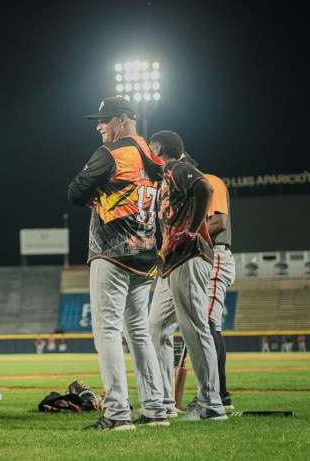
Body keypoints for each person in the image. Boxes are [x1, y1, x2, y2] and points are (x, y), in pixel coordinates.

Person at [68, 96, 168, 431]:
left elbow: (75, 190)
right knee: (139, 333)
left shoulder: (111, 153)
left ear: (123, 119)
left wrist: (91, 196)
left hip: (112, 251)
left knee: (107, 333)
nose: (99, 126)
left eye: (105, 120)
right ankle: (156, 409)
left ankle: (117, 413)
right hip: (145, 253)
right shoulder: (154, 156)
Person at [148, 130, 226, 421]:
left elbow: (204, 188)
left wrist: (192, 230)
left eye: (150, 150)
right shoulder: (166, 176)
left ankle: (211, 404)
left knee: (194, 327)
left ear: (158, 149)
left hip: (191, 257)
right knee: (155, 328)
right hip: (171, 263)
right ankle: (165, 400)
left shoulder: (179, 167)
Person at [202, 172, 235, 409]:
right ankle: (218, 393)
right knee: (207, 325)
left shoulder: (209, 182)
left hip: (216, 254)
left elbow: (219, 222)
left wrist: (188, 235)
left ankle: (220, 394)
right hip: (202, 256)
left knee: (208, 323)